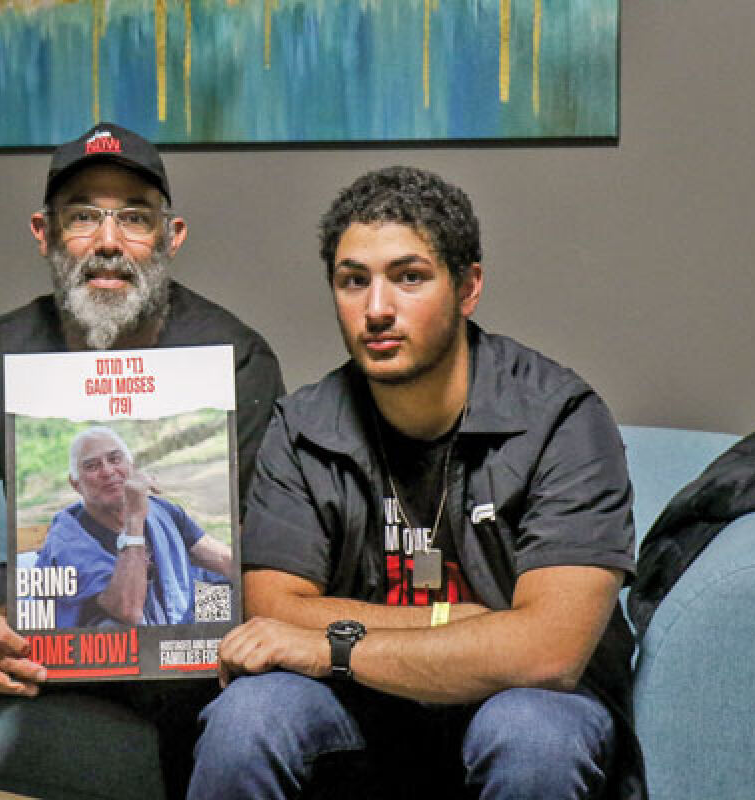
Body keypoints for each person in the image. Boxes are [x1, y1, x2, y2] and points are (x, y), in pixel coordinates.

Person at [0, 122, 284, 793]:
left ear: (171, 236)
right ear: (44, 233)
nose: (108, 241)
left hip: (176, 627)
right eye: (82, 216)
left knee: (192, 659)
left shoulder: (233, 357)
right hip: (58, 611)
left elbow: (260, 549)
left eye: (134, 216)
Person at [188, 166, 644, 800]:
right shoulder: (303, 427)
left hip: (527, 705)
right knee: (248, 717)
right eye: (354, 282)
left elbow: (548, 650)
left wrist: (335, 647)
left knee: (531, 731)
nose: (376, 309)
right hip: (360, 710)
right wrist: (463, 622)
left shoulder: (561, 419)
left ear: (468, 287)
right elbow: (272, 612)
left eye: (409, 278)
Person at [34, 426, 233, 628]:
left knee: (235, 595)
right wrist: (134, 518)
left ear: (131, 466)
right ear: (75, 484)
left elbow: (222, 559)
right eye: (92, 466)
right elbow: (127, 610)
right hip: (107, 644)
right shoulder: (67, 540)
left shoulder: (161, 510)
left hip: (175, 615)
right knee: (114, 628)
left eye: (114, 459)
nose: (108, 471)